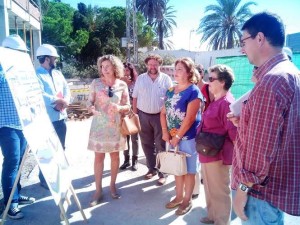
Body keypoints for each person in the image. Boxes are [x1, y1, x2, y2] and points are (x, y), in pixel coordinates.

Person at [228, 12, 300, 225]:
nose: (242, 48)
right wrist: (247, 122)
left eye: (243, 41)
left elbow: (260, 153)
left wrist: (242, 191)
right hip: (274, 192)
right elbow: (281, 130)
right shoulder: (290, 73)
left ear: (259, 38)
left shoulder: (271, 81)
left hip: (259, 195)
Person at [87, 55, 130, 207]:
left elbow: (128, 106)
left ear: (114, 68)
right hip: (99, 126)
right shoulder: (96, 83)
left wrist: (120, 108)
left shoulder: (122, 85)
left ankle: (112, 185)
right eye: (102, 66)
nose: (104, 69)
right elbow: (89, 101)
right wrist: (91, 108)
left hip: (115, 126)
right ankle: (98, 190)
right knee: (99, 158)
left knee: (114, 157)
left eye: (107, 66)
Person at [161, 57, 202, 215]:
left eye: (179, 69)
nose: (175, 72)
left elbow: (190, 118)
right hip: (172, 138)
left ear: (189, 72)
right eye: (175, 68)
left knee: (190, 170)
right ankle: (178, 197)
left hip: (187, 138)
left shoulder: (193, 91)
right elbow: (163, 112)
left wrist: (177, 136)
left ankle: (187, 199)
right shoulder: (170, 90)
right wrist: (165, 131)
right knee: (178, 168)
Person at [0, 34, 35, 220]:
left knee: (21, 161)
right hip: (5, 125)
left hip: (22, 124)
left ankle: (16, 194)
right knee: (12, 163)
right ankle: (9, 203)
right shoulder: (1, 69)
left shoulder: (20, 70)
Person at [199, 64, 237, 225]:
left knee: (220, 190)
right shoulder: (216, 100)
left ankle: (222, 221)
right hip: (208, 152)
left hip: (218, 154)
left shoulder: (226, 103)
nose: (208, 82)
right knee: (208, 187)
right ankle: (212, 216)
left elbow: (234, 133)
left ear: (222, 82)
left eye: (211, 79)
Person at [132, 54, 172, 185]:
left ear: (159, 65)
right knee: (146, 143)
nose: (152, 67)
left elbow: (171, 98)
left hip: (160, 116)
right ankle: (151, 169)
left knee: (161, 144)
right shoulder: (141, 79)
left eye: (155, 64)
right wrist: (135, 114)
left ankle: (163, 173)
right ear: (146, 65)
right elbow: (135, 97)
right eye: (150, 64)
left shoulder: (166, 79)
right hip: (143, 115)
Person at [35, 44, 71, 190]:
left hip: (61, 118)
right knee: (46, 151)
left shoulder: (57, 74)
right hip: (46, 120)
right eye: (53, 58)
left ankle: (58, 175)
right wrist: (56, 101)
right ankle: (44, 178)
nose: (55, 60)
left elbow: (66, 89)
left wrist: (65, 101)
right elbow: (39, 94)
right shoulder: (36, 75)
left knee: (60, 148)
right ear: (47, 58)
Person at [119, 62, 139, 171]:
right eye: (124, 70)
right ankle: (126, 160)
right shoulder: (118, 84)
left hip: (133, 113)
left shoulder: (136, 83)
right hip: (122, 113)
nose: (126, 72)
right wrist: (123, 83)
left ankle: (135, 160)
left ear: (131, 71)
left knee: (134, 138)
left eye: (127, 70)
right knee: (124, 138)